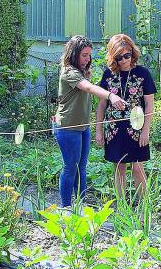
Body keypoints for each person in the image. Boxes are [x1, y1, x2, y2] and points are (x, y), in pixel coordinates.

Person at [54, 35, 127, 208]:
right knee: (70, 168)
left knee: (82, 168)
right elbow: (88, 87)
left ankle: (81, 205)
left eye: (89, 55)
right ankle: (66, 208)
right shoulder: (69, 72)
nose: (88, 59)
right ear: (74, 54)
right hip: (68, 128)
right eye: (84, 55)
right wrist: (110, 96)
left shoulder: (82, 71)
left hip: (83, 128)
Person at [96, 34, 156, 199]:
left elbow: (150, 104)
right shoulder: (108, 75)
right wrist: (99, 130)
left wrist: (146, 131)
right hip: (114, 130)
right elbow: (101, 104)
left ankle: (144, 205)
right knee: (118, 167)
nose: (123, 60)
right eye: (119, 57)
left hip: (137, 129)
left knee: (137, 167)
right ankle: (122, 207)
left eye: (127, 55)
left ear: (132, 52)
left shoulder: (143, 73)